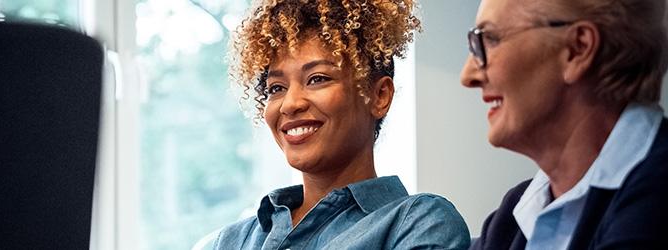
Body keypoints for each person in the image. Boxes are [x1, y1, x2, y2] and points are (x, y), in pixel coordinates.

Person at [213, 0, 470, 249]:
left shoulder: (419, 223)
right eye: (276, 88)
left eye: (317, 79)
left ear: (380, 96)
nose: (289, 104)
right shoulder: (234, 240)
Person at [460, 0, 668, 249]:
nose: (467, 76)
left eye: (490, 39)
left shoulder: (657, 198)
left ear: (577, 48)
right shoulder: (510, 218)